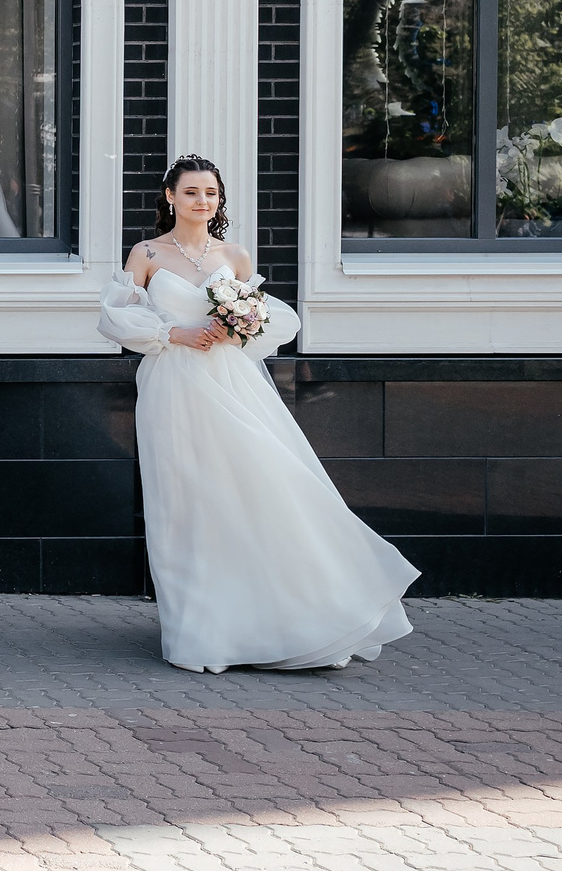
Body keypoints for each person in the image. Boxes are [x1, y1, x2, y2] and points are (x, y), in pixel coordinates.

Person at [99, 154, 417, 673]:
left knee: (259, 486)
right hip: (172, 385)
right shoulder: (147, 254)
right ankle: (201, 633)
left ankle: (294, 617)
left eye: (211, 193)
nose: (203, 201)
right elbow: (115, 319)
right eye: (192, 192)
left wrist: (237, 326)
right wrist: (171, 333)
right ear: (170, 197)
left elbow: (271, 321)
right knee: (185, 502)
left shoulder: (237, 257)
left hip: (231, 383)